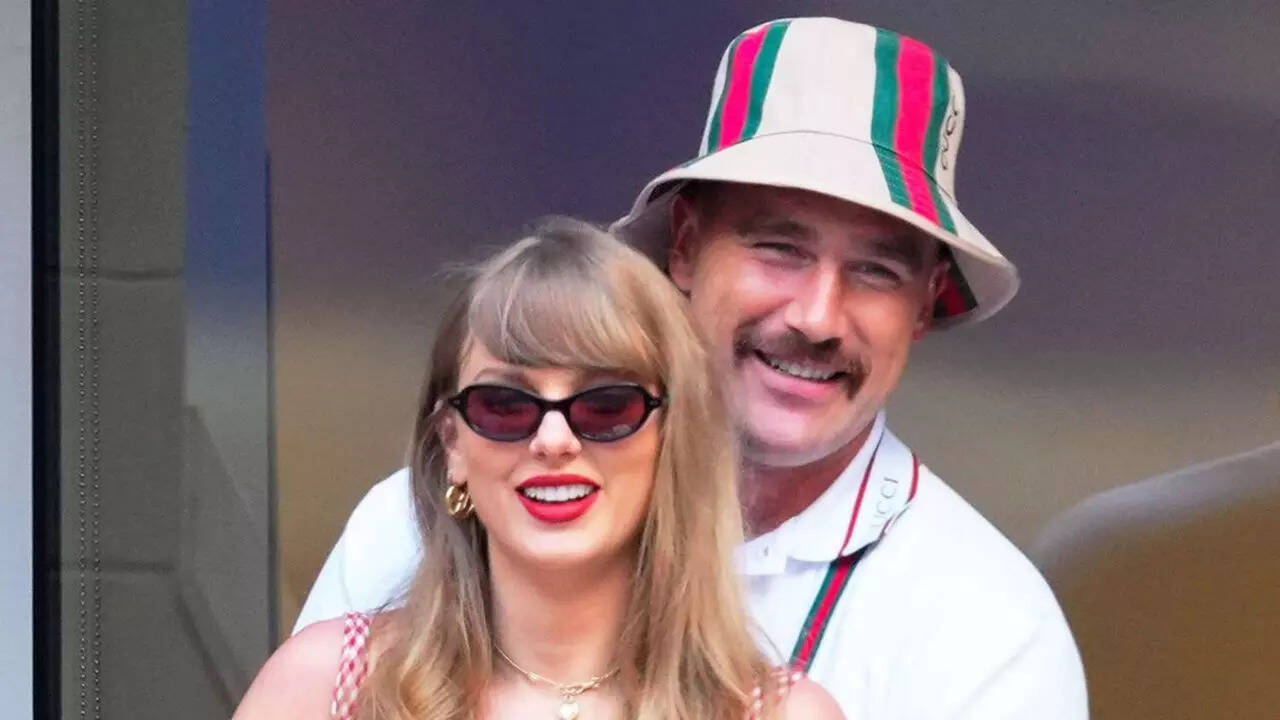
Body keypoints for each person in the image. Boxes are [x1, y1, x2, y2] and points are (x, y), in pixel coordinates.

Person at [295, 17, 1088, 719]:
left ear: (924, 303)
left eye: (876, 271)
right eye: (780, 248)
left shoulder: (990, 627)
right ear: (684, 246)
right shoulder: (429, 517)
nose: (817, 317)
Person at [236, 219, 843, 718]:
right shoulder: (321, 691)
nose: (554, 441)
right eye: (504, 406)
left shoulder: (784, 715)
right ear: (451, 443)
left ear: (671, 439)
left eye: (608, 405)